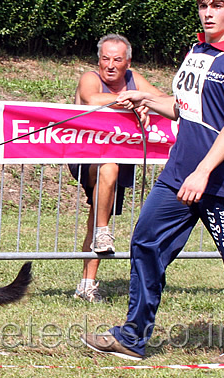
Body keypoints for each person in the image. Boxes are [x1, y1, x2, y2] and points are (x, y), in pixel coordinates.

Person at [81, 0, 224, 363]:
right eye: (203, 5)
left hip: (219, 181)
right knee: (145, 243)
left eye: (217, 6)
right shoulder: (196, 51)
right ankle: (133, 338)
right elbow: (185, 109)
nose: (208, 13)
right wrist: (147, 97)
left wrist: (203, 172)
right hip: (177, 174)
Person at [71, 34, 167, 303]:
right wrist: (129, 101)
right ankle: (103, 232)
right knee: (108, 168)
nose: (110, 65)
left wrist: (144, 100)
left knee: (98, 210)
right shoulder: (90, 77)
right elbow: (91, 99)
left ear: (128, 62)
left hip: (121, 152)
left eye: (117, 59)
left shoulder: (135, 80)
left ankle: (86, 284)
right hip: (87, 155)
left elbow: (165, 100)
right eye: (105, 59)